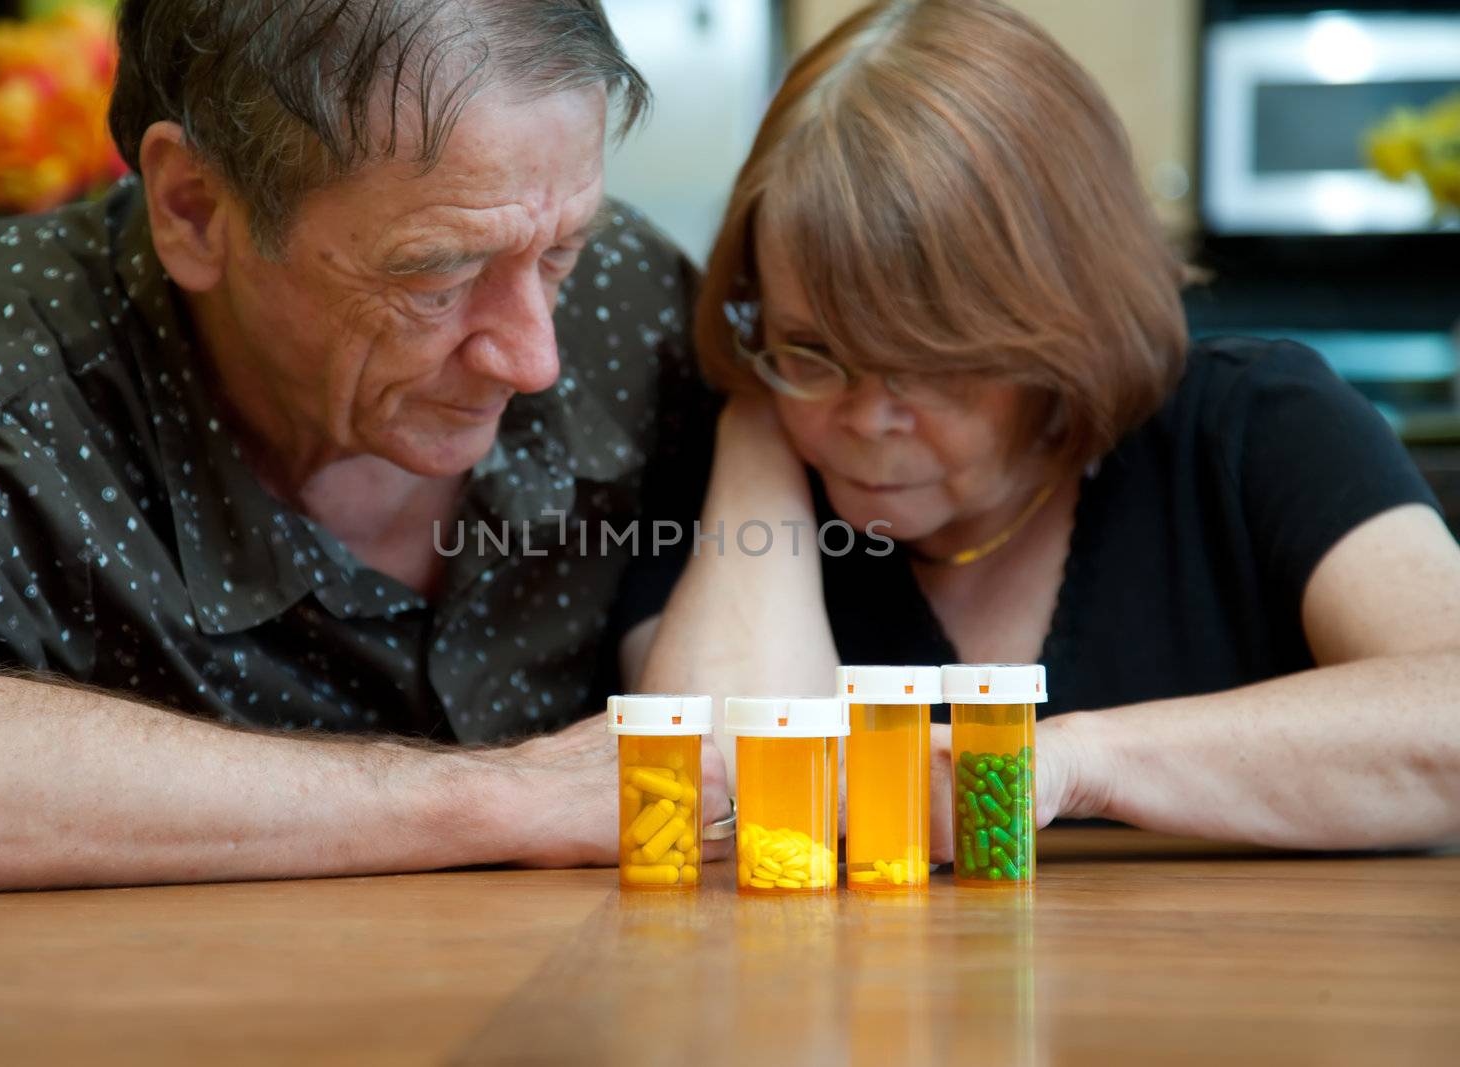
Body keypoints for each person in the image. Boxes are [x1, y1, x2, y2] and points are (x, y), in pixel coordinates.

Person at [0, 0, 728, 895]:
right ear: (194, 209)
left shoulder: (631, 302)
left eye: (561, 253)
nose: (535, 356)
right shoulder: (5, 360)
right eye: (440, 277)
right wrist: (497, 798)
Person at [623, 0, 1460, 855]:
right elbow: (713, 814)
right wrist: (763, 410)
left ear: (1061, 320)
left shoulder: (1256, 427)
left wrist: (1066, 760)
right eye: (815, 344)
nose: (869, 418)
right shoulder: (734, 450)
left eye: (933, 362)